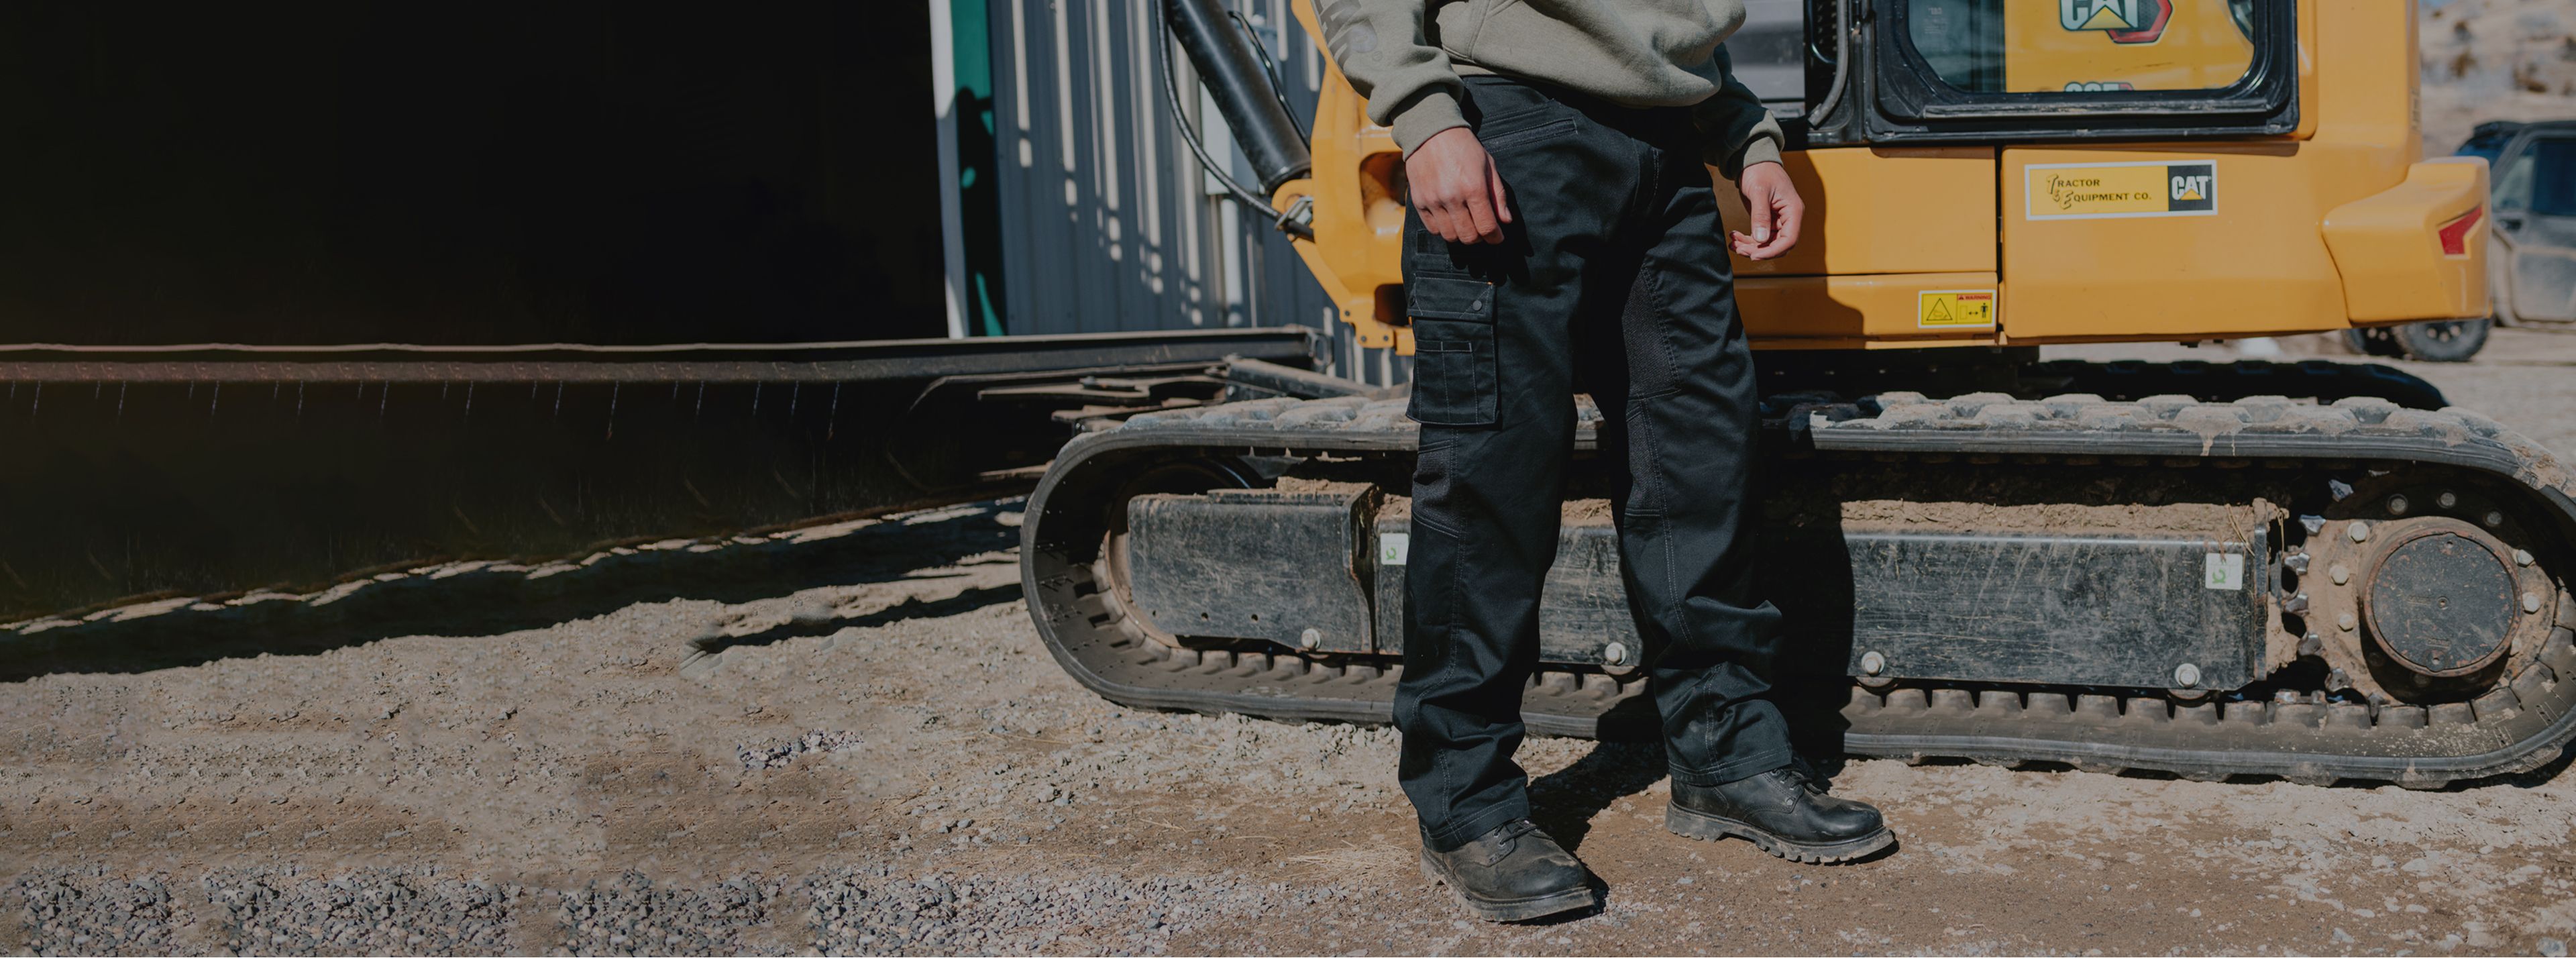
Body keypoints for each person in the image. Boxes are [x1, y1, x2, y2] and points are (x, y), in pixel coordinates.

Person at [1312, 0, 1894, 922]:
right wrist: (1424, 119)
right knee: (1493, 484)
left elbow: (1658, 25)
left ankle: (1727, 758)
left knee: (1703, 467)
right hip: (1509, 135)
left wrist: (1746, 138)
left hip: (1668, 156)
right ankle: (1466, 802)